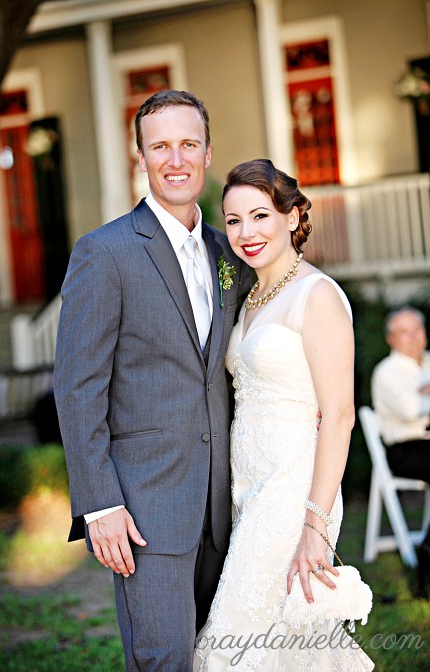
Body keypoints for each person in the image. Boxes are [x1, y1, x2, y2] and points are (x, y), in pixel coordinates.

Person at [54, 89, 252, 671]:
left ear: (208, 152)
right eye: (160, 145)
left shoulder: (229, 251)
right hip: (145, 508)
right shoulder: (104, 252)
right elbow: (77, 386)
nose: (175, 159)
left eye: (188, 144)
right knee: (164, 660)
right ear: (139, 155)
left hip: (227, 503)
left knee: (221, 659)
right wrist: (99, 504)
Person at [194, 158, 374, 670]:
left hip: (294, 496)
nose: (245, 233)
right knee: (281, 646)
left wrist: (314, 529)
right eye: (232, 221)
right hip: (249, 491)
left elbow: (339, 414)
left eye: (260, 216)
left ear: (292, 218)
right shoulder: (249, 299)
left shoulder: (317, 296)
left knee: (234, 640)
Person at [371, 305, 430, 591]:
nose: (412, 336)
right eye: (404, 332)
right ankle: (429, 556)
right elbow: (410, 410)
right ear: (390, 339)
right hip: (406, 450)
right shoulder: (386, 371)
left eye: (417, 329)